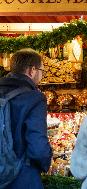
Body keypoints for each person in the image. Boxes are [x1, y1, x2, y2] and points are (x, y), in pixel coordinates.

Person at [0, 48, 52, 189]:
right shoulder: (34, 98)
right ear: (32, 70)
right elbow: (38, 147)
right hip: (22, 177)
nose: (41, 75)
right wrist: (46, 163)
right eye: (42, 71)